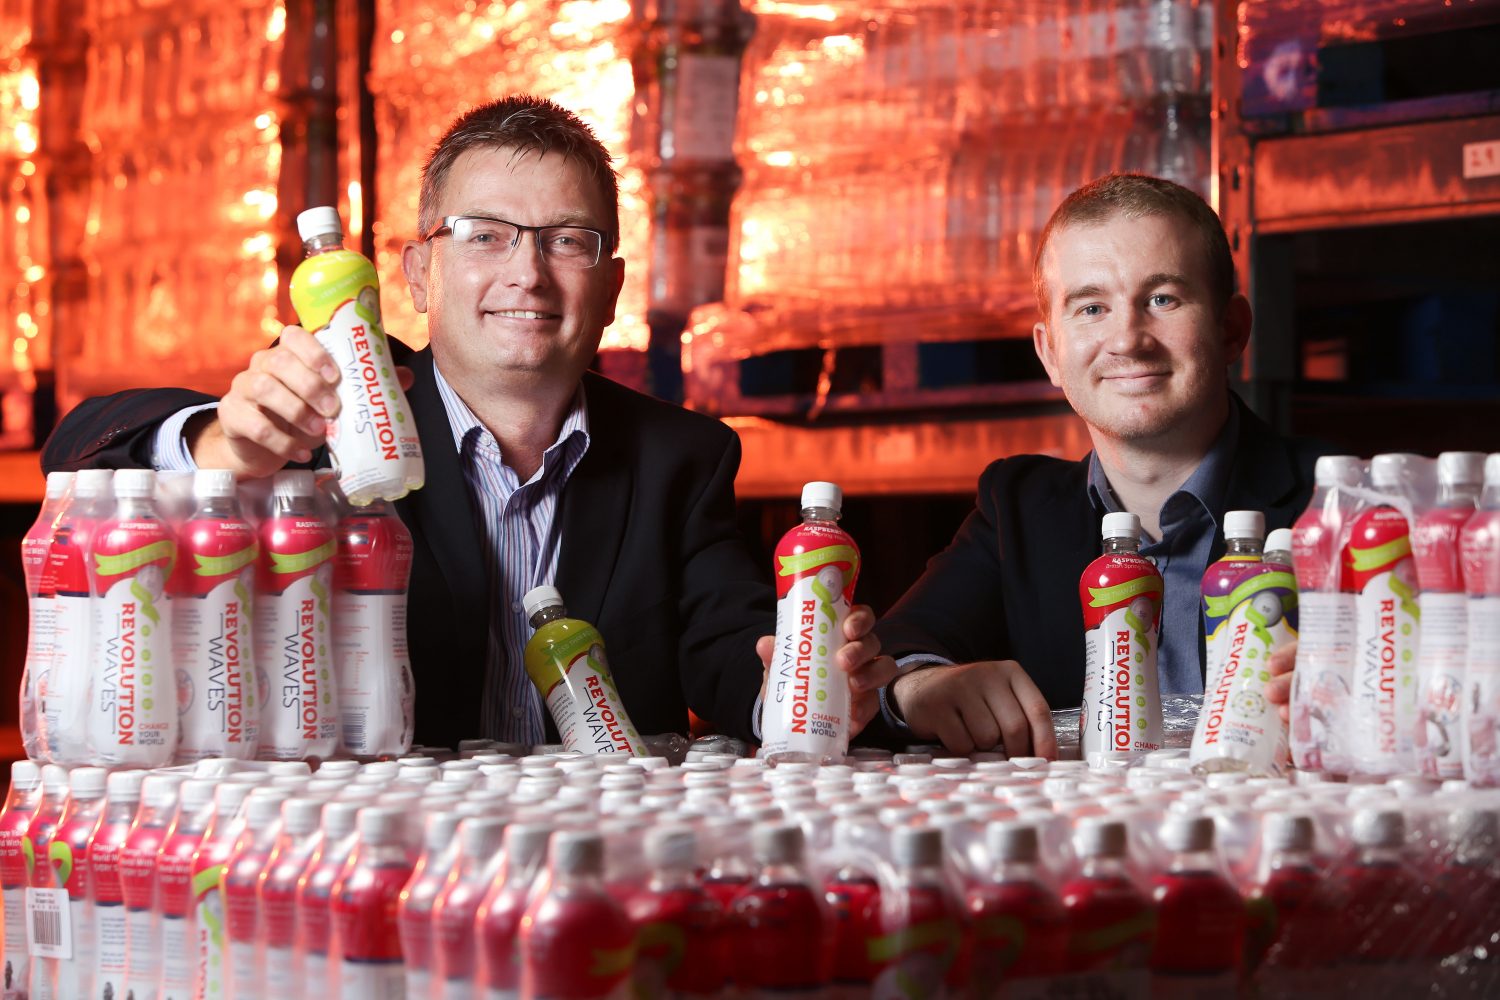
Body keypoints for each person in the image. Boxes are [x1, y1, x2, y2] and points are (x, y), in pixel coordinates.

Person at [41, 95, 895, 750]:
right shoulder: (335, 408)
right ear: (417, 275)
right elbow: (81, 439)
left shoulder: (685, 455)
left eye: (568, 241)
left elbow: (726, 646)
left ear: (611, 287)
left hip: (597, 863)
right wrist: (219, 444)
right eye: (484, 236)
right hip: (378, 858)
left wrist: (804, 681)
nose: (527, 273)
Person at [870, 173, 1329, 757]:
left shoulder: (1336, 504)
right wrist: (923, 687)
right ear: (1050, 353)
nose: (1128, 340)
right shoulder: (1017, 508)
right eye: (1091, 308)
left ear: (1231, 329)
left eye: (1162, 299)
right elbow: (898, 647)